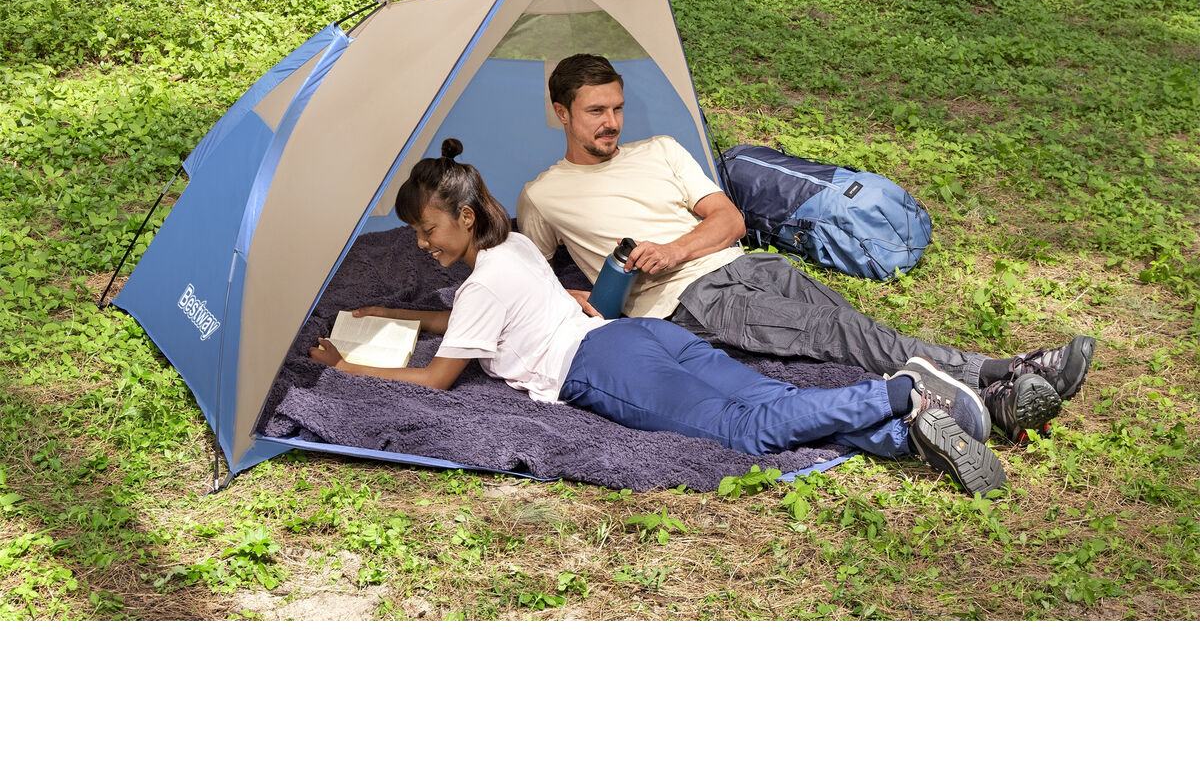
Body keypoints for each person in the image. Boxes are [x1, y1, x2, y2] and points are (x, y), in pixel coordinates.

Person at [310, 140, 1008, 496]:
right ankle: (907, 434)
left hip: (603, 366)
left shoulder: (479, 289)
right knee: (770, 400)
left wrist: (348, 367)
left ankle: (900, 392)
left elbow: (437, 379)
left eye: (427, 230)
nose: (422, 244)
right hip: (644, 333)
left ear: (465, 217)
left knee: (746, 430)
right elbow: (466, 322)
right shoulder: (511, 249)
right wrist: (392, 312)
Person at [516, 54, 1096, 445]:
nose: (611, 122)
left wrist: (673, 248)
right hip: (688, 302)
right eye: (596, 112)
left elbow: (730, 220)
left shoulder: (662, 149)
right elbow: (525, 275)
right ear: (562, 113)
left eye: (617, 108)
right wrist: (574, 294)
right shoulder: (543, 194)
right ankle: (1006, 373)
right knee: (834, 333)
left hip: (747, 265)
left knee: (854, 330)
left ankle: (985, 401)